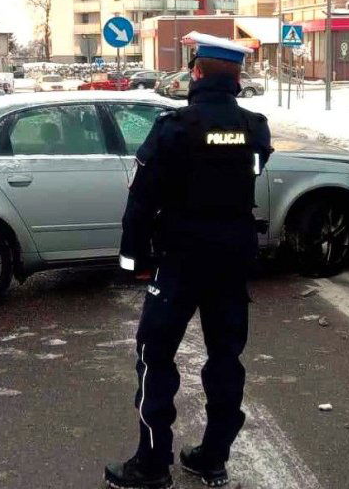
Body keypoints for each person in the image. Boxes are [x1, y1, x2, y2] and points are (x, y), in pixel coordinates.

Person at [105, 32, 272, 489]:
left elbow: (141, 201)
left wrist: (132, 262)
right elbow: (250, 172)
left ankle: (153, 464)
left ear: (196, 73)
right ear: (237, 77)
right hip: (232, 259)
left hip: (179, 259)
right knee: (226, 357)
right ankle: (212, 458)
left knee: (155, 357)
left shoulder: (174, 128)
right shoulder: (256, 128)